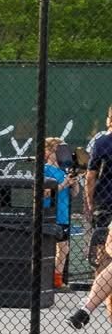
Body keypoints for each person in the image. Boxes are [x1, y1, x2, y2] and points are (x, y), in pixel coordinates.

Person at [45, 136, 82, 287]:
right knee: (46, 248)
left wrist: (74, 183)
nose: (61, 153)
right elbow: (46, 193)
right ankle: (45, 280)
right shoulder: (44, 169)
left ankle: (56, 281)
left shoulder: (63, 171)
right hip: (48, 214)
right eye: (56, 149)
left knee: (64, 249)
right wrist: (65, 183)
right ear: (49, 151)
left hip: (63, 215)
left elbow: (73, 194)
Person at [85, 107, 112, 273]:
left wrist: (90, 201)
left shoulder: (101, 143)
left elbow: (90, 176)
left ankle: (102, 291)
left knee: (102, 248)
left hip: (104, 202)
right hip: (106, 201)